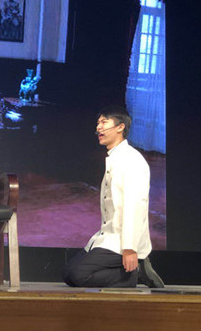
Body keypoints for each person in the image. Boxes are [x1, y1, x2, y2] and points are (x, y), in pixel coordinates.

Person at [62, 106, 164, 288]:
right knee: (69, 274)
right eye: (98, 123)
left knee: (78, 275)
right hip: (108, 237)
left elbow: (134, 206)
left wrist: (130, 248)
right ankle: (130, 273)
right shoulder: (115, 157)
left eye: (104, 122)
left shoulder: (132, 160)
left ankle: (136, 273)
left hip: (123, 241)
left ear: (120, 127)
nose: (98, 128)